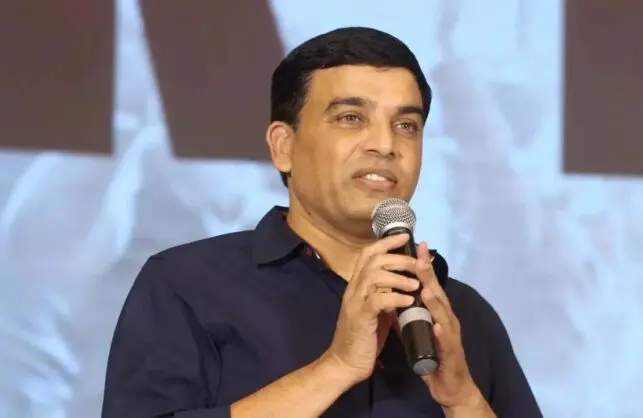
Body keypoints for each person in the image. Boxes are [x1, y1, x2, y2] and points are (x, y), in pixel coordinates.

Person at [101, 26, 542, 418]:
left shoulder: (461, 313)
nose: (385, 144)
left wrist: (463, 400)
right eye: (351, 118)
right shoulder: (188, 286)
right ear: (283, 146)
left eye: (406, 125)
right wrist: (336, 367)